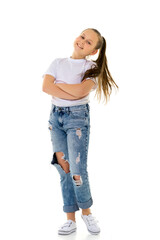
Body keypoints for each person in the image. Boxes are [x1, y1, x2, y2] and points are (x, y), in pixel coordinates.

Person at [42, 28, 118, 235]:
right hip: (55, 118)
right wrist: (68, 89)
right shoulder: (57, 62)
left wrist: (59, 85)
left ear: (93, 51)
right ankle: (70, 219)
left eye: (89, 42)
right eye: (82, 36)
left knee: (77, 169)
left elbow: (80, 92)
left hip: (77, 119)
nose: (83, 41)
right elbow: (46, 87)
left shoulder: (91, 66)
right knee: (63, 167)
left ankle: (86, 212)